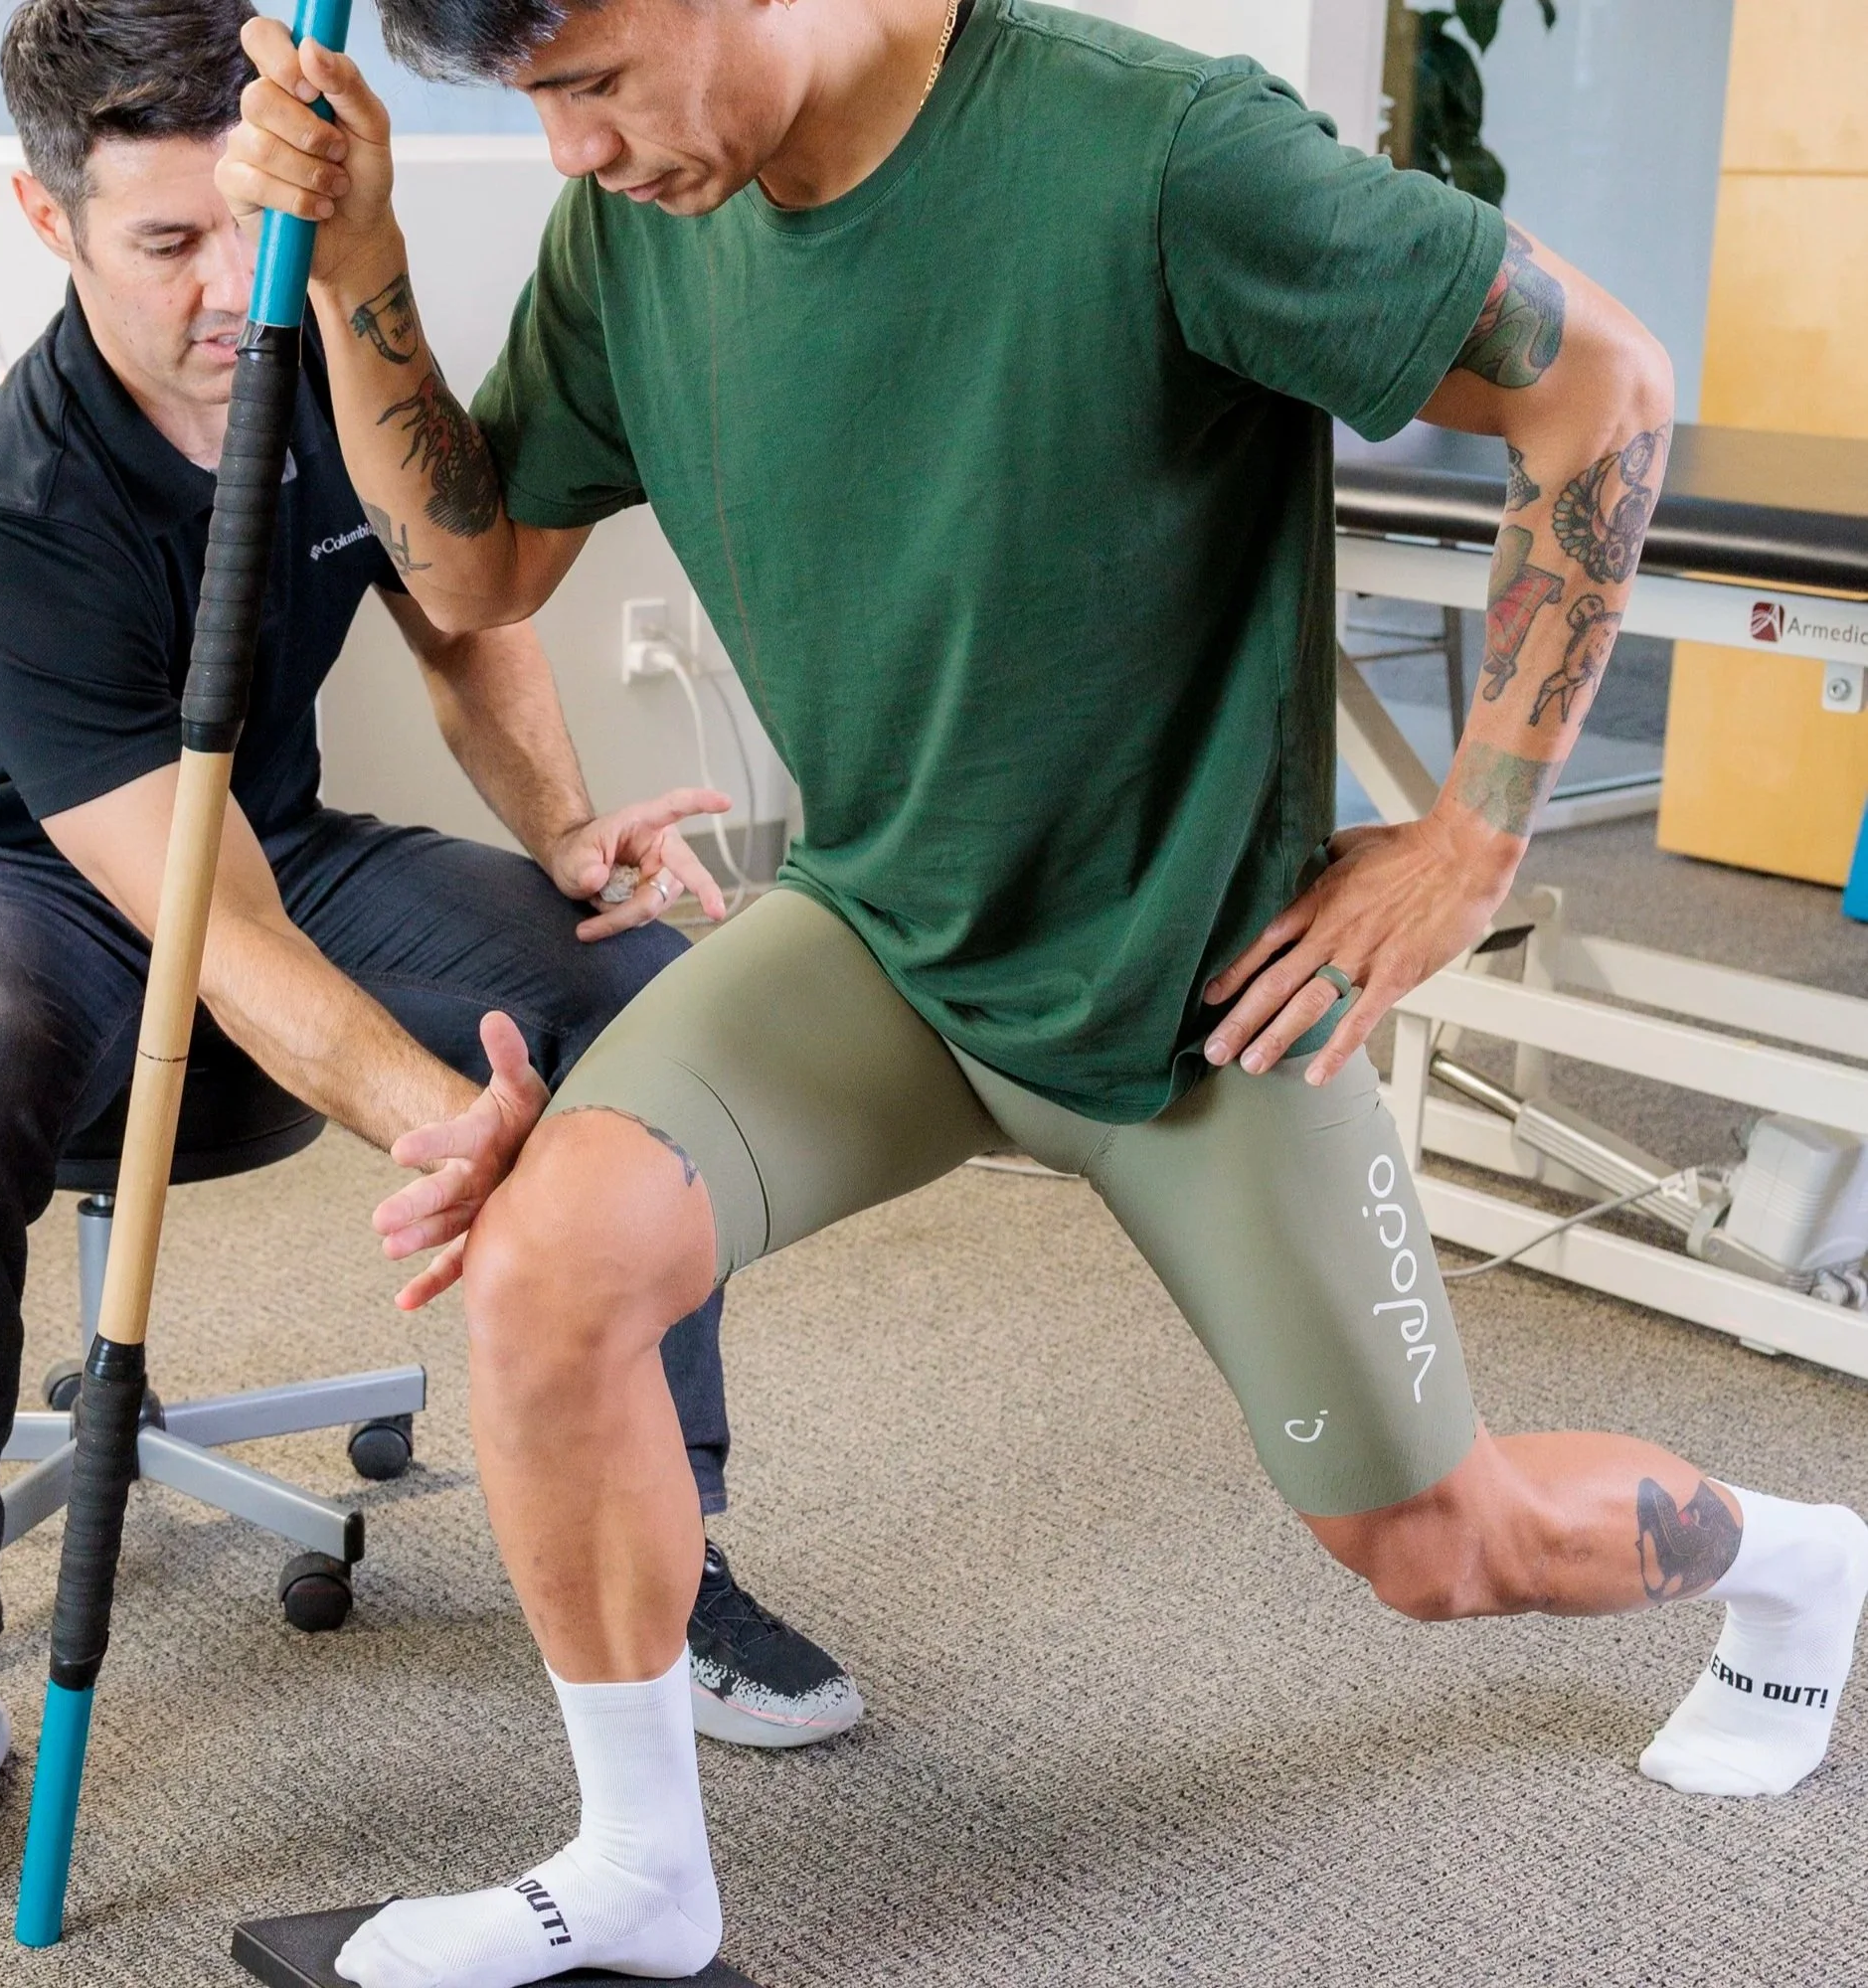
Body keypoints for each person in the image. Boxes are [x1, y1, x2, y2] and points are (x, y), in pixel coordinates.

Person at [219, 1, 1868, 1981]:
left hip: (1197, 988)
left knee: (1440, 1550)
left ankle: (1797, 1565)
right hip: (886, 938)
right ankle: (643, 1876)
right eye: (527, 103)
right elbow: (481, 582)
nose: (569, 150)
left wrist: (1467, 840)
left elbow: (1596, 383)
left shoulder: (1155, 153)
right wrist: (369, 267)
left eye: (586, 84)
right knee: (541, 1276)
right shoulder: (636, 223)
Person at [0, 0, 863, 1920]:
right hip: (29, 876)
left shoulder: (324, 358)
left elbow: (459, 613)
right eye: (162, 245)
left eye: (243, 231)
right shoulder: (13, 516)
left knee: (622, 994)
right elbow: (204, 915)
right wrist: (462, 1133)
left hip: (270, 845)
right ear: (51, 222)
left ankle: (665, 1558)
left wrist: (559, 832)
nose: (218, 294)